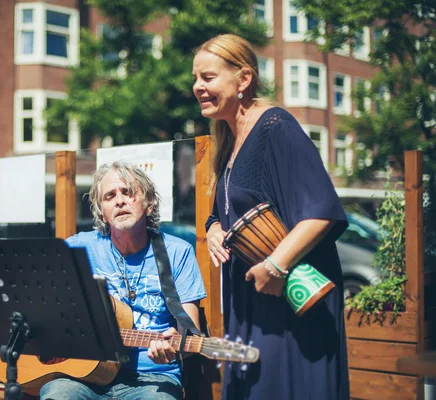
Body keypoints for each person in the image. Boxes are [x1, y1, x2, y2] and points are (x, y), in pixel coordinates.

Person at [192, 34, 350, 400]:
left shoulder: (276, 127)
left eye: (209, 77)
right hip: (254, 305)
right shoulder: (229, 142)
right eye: (196, 79)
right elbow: (223, 212)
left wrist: (275, 267)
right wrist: (214, 228)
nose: (198, 87)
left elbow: (321, 213)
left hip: (290, 305)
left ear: (243, 79)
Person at [39, 161, 207, 400]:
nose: (119, 201)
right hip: (84, 376)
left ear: (148, 204)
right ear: (102, 212)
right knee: (57, 395)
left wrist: (173, 349)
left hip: (152, 379)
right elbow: (38, 298)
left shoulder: (177, 252)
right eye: (109, 196)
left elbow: (189, 333)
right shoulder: (79, 247)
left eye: (128, 192)